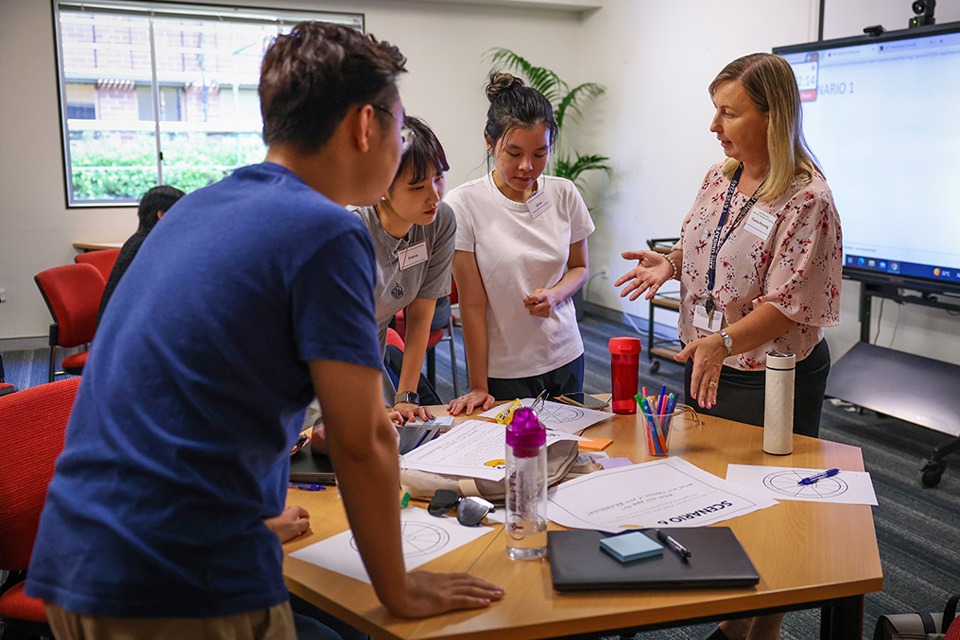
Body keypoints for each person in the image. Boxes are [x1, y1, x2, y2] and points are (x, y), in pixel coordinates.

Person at [26, 21, 501, 640]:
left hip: (82, 552)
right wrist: (400, 587)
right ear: (365, 126)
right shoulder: (327, 232)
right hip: (173, 579)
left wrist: (242, 511)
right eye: (397, 122)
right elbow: (362, 443)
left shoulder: (199, 205)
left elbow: (183, 390)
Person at [615, 52, 842, 640]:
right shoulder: (721, 174)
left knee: (767, 505)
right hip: (711, 358)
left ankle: (754, 630)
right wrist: (669, 263)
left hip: (773, 373)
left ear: (774, 117)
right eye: (714, 111)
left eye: (728, 113)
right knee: (714, 494)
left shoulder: (805, 198)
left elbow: (786, 301)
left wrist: (722, 339)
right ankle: (737, 621)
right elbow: (704, 243)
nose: (714, 127)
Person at [446, 72, 595, 415]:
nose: (527, 167)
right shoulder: (464, 204)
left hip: (565, 353)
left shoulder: (563, 193)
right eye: (514, 153)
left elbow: (580, 267)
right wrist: (478, 385)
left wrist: (555, 295)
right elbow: (471, 305)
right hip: (504, 368)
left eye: (540, 154)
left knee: (569, 454)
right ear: (489, 141)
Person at [354, 115, 456, 420]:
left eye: (439, 177)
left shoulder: (440, 221)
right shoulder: (353, 235)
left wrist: (406, 395)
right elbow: (330, 339)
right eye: (417, 187)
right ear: (382, 186)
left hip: (373, 359)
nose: (434, 195)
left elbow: (422, 314)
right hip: (321, 372)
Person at [96, 184, 185, 323]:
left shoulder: (139, 239)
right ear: (161, 215)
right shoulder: (149, 245)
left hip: (121, 322)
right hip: (126, 326)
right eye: (180, 210)